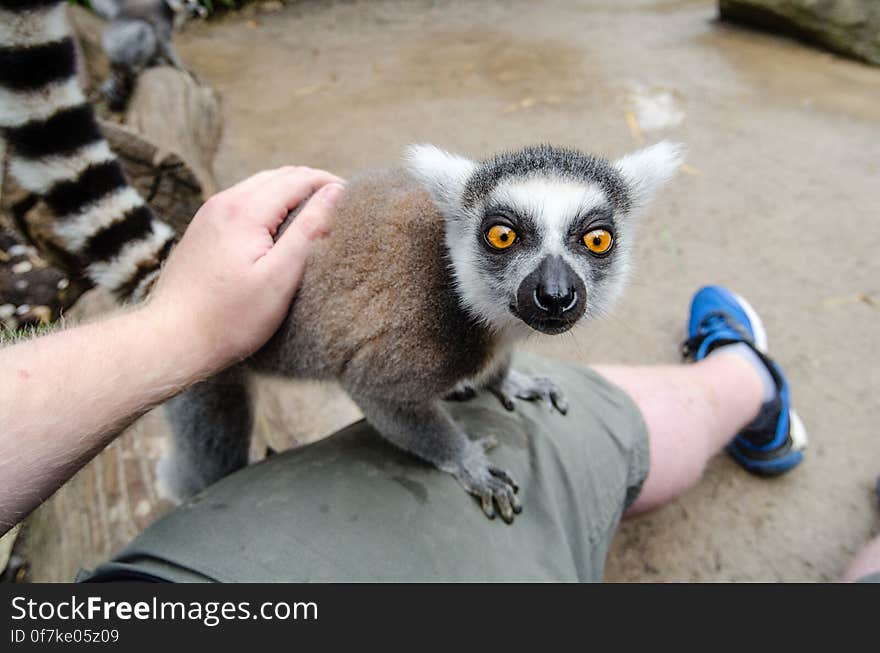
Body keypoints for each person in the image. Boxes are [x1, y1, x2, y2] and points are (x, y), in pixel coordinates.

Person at [0, 167, 875, 583]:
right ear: (464, 231)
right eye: (505, 237)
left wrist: (505, 372)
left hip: (206, 310)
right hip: (216, 355)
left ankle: (743, 383)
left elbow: (492, 310)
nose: (559, 277)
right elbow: (379, 385)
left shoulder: (470, 314)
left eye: (593, 242)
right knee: (215, 478)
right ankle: (746, 382)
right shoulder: (430, 339)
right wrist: (458, 455)